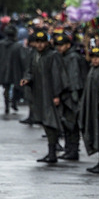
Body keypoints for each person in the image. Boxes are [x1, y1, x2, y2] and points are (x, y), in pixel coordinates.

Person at [20, 30, 68, 163]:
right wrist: (27, 79)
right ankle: (51, 151)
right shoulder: (34, 54)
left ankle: (53, 151)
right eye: (38, 42)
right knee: (44, 122)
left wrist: (56, 94)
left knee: (50, 122)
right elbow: (29, 70)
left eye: (43, 42)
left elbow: (57, 76)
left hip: (50, 94)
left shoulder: (53, 56)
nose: (40, 45)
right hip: (39, 94)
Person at [55, 33, 87, 160]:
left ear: (68, 45)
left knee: (71, 124)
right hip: (68, 94)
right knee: (67, 123)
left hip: (72, 95)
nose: (59, 47)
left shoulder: (72, 57)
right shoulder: (65, 56)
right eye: (58, 45)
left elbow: (74, 79)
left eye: (62, 45)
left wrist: (74, 97)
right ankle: (69, 149)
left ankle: (73, 150)